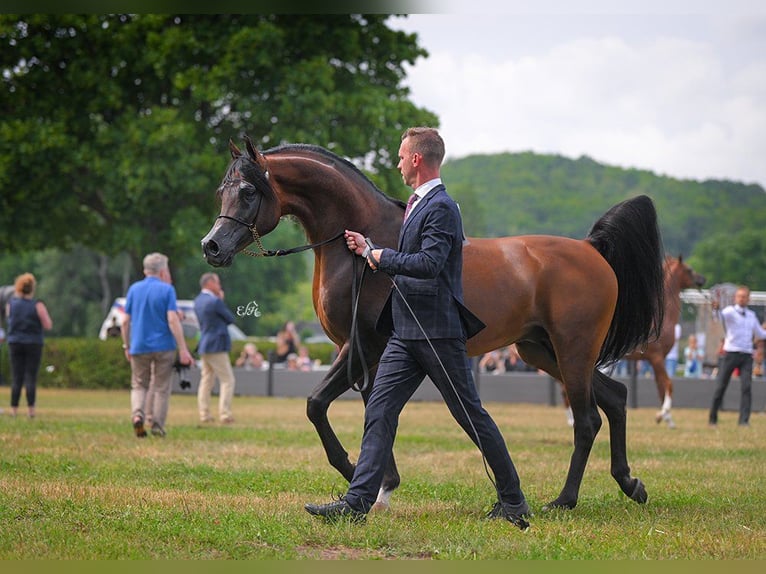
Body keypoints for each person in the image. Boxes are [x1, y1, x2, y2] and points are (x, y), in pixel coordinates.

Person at [304, 127, 529, 530]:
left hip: (438, 332)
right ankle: (358, 502)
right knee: (380, 409)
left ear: (417, 160)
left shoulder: (442, 207)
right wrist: (367, 247)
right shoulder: (417, 205)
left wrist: (379, 255)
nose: (397, 162)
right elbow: (409, 257)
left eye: (401, 155)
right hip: (405, 332)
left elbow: (428, 264)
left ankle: (513, 500)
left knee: (470, 415)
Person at [122, 253, 193, 438]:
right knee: (161, 387)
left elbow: (125, 321)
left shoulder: (133, 289)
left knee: (139, 385)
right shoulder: (167, 290)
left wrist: (126, 345)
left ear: (145, 269)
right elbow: (172, 319)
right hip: (164, 346)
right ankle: (157, 425)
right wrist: (183, 348)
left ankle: (138, 415)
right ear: (163, 271)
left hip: (139, 345)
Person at [708, 285, 766, 427]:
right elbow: (718, 317)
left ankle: (744, 420)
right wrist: (715, 308)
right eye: (739, 296)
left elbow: (760, 334)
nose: (741, 299)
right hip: (731, 353)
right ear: (735, 298)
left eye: (744, 296)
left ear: (748, 298)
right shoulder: (729, 311)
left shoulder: (751, 316)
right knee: (721, 386)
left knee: (747, 387)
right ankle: (712, 419)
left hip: (746, 355)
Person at [5, 273, 53, 418]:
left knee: (16, 377)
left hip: (15, 342)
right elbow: (48, 324)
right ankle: (31, 410)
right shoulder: (38, 305)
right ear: (32, 288)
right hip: (33, 343)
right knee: (30, 377)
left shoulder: (11, 304)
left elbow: (10, 321)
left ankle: (14, 410)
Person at [194, 272, 237, 424]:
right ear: (210, 283)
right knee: (228, 380)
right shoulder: (214, 301)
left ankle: (204, 414)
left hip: (204, 344)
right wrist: (221, 300)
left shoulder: (197, 301)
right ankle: (225, 414)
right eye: (217, 283)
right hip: (216, 345)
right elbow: (230, 318)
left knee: (206, 380)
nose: (219, 286)